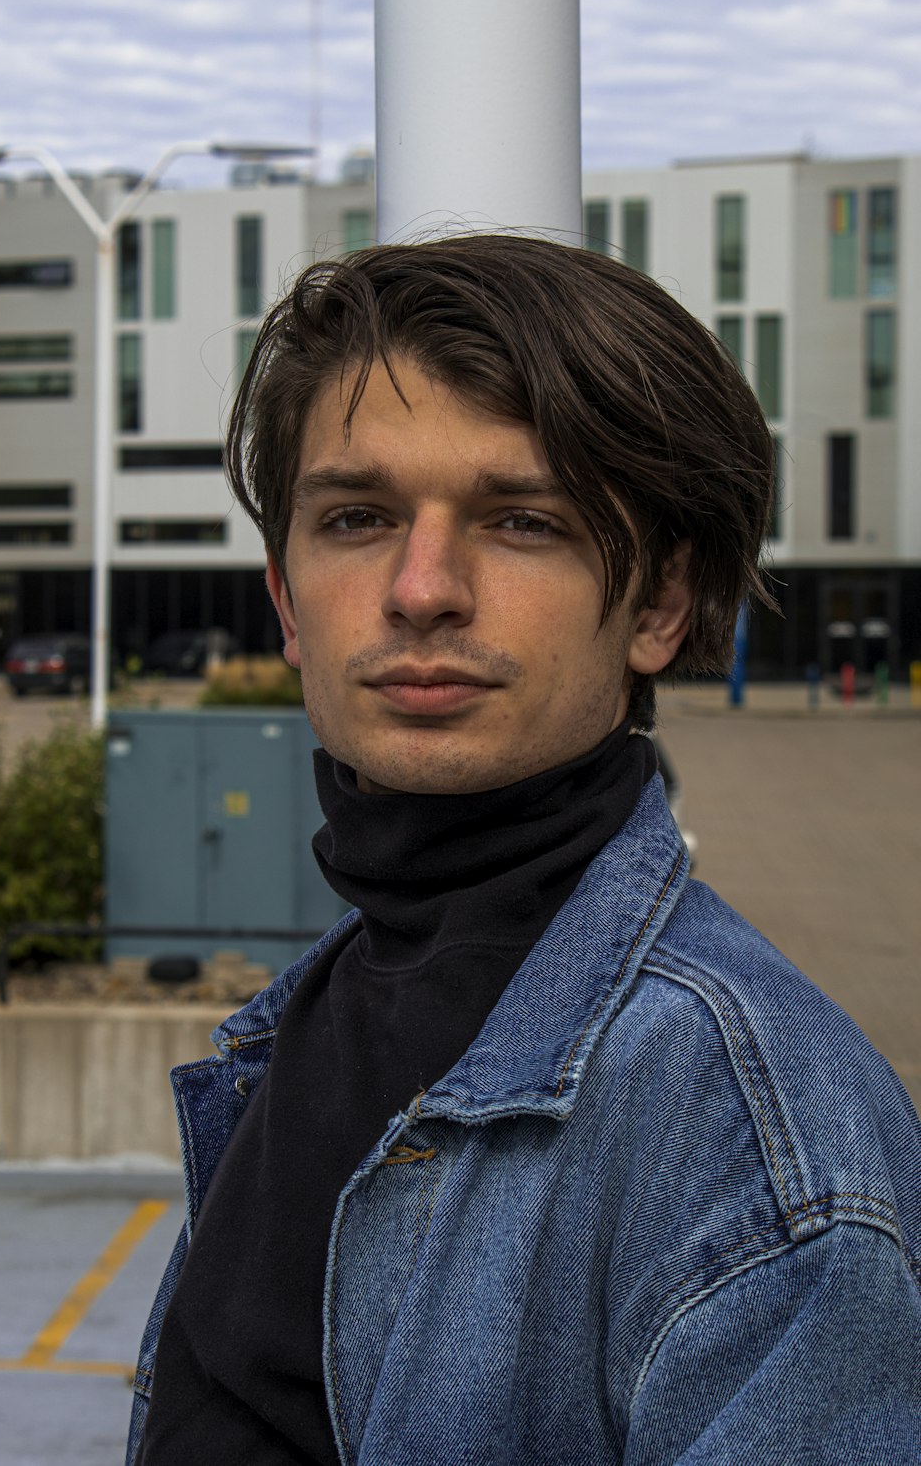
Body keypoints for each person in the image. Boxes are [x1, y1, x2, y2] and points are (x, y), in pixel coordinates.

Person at [128, 236, 920, 1466]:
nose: (422, 587)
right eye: (357, 516)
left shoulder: (748, 1138)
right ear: (286, 598)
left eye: (520, 520)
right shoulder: (305, 1027)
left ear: (659, 607)